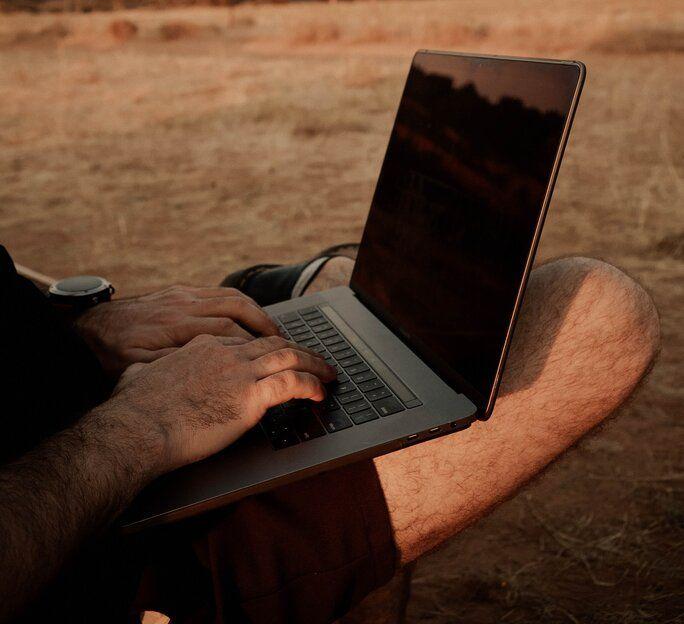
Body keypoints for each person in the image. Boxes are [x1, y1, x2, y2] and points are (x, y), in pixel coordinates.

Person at [0, 242, 659, 624]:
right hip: (104, 550)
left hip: (93, 413)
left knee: (341, 285)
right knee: (597, 314)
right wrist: (139, 426)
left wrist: (80, 332)